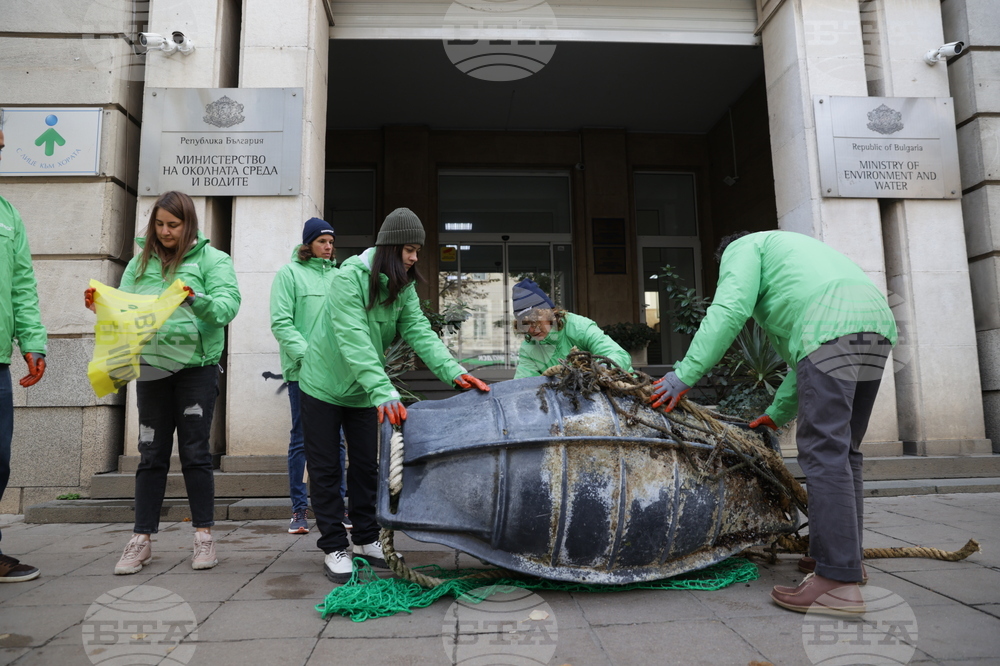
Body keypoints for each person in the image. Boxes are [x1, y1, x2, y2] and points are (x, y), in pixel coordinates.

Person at [648, 230, 896, 616]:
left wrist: (684, 376)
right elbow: (804, 357)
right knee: (845, 450)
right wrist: (777, 413)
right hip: (875, 324)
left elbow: (729, 310)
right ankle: (844, 560)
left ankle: (837, 583)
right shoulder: (792, 252)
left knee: (825, 452)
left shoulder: (743, 247)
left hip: (829, 325)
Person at [298, 207, 491, 583]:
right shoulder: (348, 279)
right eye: (409, 250)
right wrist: (383, 390)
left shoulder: (402, 286)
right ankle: (334, 545)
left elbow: (418, 330)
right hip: (323, 386)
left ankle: (365, 538)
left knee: (367, 467)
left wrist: (454, 372)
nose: (415, 257)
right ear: (390, 247)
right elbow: (353, 337)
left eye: (417, 250)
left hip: (364, 391)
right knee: (326, 469)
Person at [85, 191, 241, 575]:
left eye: (173, 225)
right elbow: (123, 311)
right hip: (152, 369)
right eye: (159, 224)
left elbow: (227, 307)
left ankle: (203, 535)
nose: (165, 231)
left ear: (189, 224)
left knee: (195, 452)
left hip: (196, 370)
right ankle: (141, 539)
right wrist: (102, 303)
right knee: (151, 453)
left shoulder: (214, 260)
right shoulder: (139, 265)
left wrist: (195, 299)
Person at [269, 217, 347, 535]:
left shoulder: (340, 277)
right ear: (308, 244)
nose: (328, 247)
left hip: (337, 374)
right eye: (322, 242)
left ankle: (338, 506)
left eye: (331, 242)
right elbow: (281, 322)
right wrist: (309, 357)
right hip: (302, 372)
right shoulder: (289, 274)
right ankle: (299, 509)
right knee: (302, 439)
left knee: (337, 441)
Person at [0, 118, 48, 583]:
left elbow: (21, 287)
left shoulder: (8, 215)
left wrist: (32, 343)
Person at [511, 278, 633, 379]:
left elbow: (619, 355)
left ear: (549, 313)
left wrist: (599, 371)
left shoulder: (579, 327)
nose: (531, 330)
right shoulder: (529, 347)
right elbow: (522, 385)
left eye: (535, 322)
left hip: (622, 388)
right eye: (525, 324)